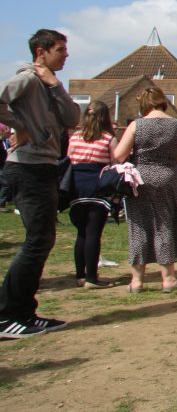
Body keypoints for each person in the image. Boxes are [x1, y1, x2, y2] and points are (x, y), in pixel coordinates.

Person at [0, 29, 81, 339]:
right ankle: (8, 315)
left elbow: (72, 118)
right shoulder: (27, 78)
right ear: (41, 52)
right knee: (37, 241)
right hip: (27, 167)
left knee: (43, 240)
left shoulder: (47, 84)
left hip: (45, 166)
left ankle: (24, 312)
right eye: (60, 49)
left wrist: (57, 86)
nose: (66, 55)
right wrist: (21, 126)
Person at [113, 87, 177, 293]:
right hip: (166, 177)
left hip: (140, 179)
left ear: (144, 104)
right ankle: (168, 279)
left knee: (139, 226)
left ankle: (137, 281)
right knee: (165, 225)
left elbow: (119, 155)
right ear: (162, 102)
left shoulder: (136, 125)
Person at [67, 101, 120, 289]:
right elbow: (116, 161)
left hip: (76, 187)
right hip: (98, 186)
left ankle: (80, 275)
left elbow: (70, 158)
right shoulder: (108, 138)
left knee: (81, 233)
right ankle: (92, 278)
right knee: (93, 233)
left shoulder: (74, 137)